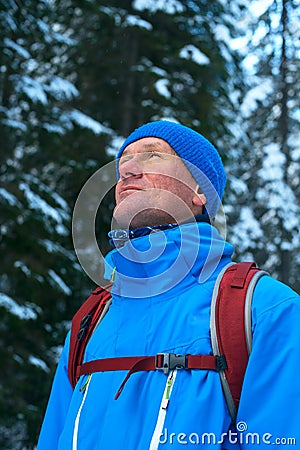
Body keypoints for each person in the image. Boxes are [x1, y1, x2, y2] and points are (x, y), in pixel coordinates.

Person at [37, 121, 300, 449]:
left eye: (152, 156)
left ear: (198, 192)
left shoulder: (262, 310)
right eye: (124, 162)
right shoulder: (91, 321)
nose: (128, 170)